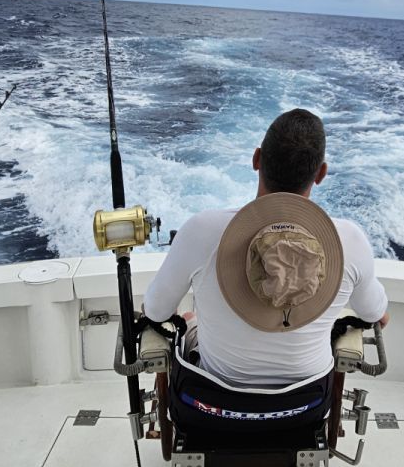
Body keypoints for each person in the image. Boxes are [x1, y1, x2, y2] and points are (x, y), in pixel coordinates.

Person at [144, 108, 388, 387]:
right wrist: (380, 313)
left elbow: (156, 311)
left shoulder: (199, 230)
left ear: (256, 159)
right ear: (321, 174)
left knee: (190, 318)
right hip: (305, 407)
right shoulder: (350, 241)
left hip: (215, 409)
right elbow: (375, 315)